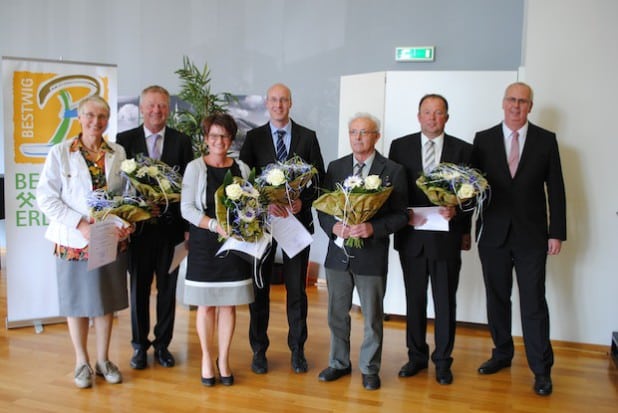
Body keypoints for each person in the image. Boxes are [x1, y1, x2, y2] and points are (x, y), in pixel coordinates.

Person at [471, 82, 566, 396]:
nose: (516, 106)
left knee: (533, 303)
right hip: (493, 235)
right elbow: (471, 189)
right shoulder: (482, 140)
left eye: (522, 101)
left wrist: (557, 233)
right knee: (497, 299)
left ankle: (541, 369)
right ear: (503, 103)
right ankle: (502, 353)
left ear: (530, 106)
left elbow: (556, 190)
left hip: (532, 237)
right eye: (512, 99)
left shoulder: (545, 140)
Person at [36, 95, 133, 388]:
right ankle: (81, 361)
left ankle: (103, 360)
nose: (96, 122)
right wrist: (79, 224)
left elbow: (125, 194)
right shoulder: (61, 152)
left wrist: (126, 221)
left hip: (109, 239)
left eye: (102, 117)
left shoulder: (118, 151)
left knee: (105, 301)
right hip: (74, 240)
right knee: (77, 302)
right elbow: (45, 197)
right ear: (79, 117)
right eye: (90, 116)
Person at [316, 113, 408, 390]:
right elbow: (322, 209)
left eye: (364, 132)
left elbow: (402, 215)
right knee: (336, 314)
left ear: (376, 136)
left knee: (372, 317)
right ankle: (338, 363)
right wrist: (333, 227)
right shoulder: (336, 166)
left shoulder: (392, 170)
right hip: (338, 256)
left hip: (371, 254)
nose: (358, 137)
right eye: (354, 132)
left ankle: (370, 368)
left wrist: (372, 229)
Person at [239, 83, 325, 374]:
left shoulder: (308, 137)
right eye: (274, 100)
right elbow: (245, 183)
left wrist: (304, 202)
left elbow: (320, 181)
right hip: (263, 226)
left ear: (291, 103)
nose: (278, 105)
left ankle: (297, 350)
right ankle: (259, 350)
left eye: (284, 100)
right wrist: (264, 204)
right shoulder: (253, 138)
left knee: (296, 291)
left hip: (296, 223)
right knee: (259, 288)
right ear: (267, 103)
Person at [389, 94, 472, 385]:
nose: (432, 118)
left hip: (446, 240)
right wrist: (402, 215)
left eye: (438, 113)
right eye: (427, 112)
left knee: (445, 302)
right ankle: (416, 357)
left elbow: (472, 197)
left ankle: (443, 361)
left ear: (446, 117)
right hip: (411, 238)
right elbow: (391, 192)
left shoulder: (463, 150)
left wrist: (459, 215)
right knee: (415, 300)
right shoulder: (399, 147)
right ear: (418, 115)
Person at [116, 85, 194, 370]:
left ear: (168, 109)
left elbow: (188, 188)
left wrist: (187, 229)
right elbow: (118, 187)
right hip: (137, 232)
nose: (156, 111)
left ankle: (162, 345)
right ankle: (139, 346)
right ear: (141, 108)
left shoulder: (182, 141)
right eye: (150, 105)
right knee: (138, 289)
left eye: (161, 105)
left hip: (171, 231)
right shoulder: (124, 141)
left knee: (168, 290)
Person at [180, 113, 254, 387]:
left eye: (223, 136)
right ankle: (206, 358)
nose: (218, 141)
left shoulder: (243, 169)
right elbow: (186, 208)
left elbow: (250, 205)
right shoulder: (195, 168)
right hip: (204, 244)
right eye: (213, 136)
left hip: (234, 246)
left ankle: (224, 359)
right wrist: (214, 225)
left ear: (231, 139)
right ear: (206, 139)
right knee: (206, 305)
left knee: (228, 304)